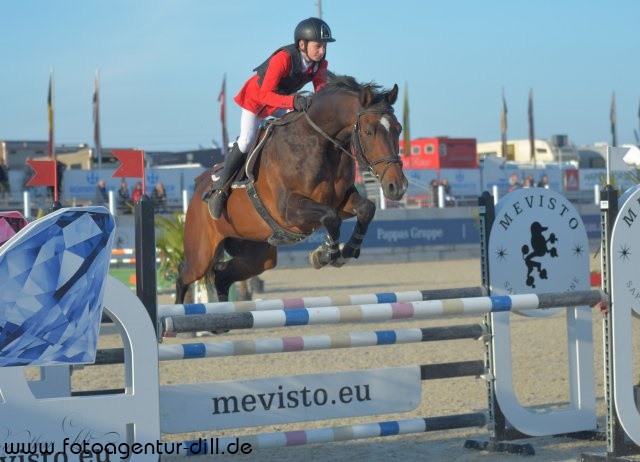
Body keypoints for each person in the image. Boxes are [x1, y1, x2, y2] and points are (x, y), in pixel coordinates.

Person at [207, 17, 336, 219]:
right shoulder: (283, 58)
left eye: (324, 46)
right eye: (318, 46)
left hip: (280, 102)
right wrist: (294, 102)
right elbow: (265, 95)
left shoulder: (319, 64)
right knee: (247, 139)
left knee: (303, 123)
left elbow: (320, 91)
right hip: (257, 101)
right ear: (302, 44)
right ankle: (220, 189)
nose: (322, 51)